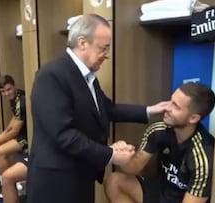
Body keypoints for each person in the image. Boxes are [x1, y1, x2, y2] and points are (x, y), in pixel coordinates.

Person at [27, 14, 167, 203]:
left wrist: (149, 111)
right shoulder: (52, 76)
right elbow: (63, 135)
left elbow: (107, 109)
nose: (107, 55)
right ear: (82, 43)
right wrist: (111, 155)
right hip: (57, 180)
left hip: (81, 171)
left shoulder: (86, 76)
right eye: (104, 48)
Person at [104, 82, 215, 203]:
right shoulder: (159, 130)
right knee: (114, 181)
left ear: (193, 118)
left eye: (176, 106)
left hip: (183, 199)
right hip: (162, 191)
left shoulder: (202, 155)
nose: (167, 108)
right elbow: (134, 167)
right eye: (171, 101)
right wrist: (121, 156)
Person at [0, 75, 28, 203]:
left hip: (27, 137)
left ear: (14, 86)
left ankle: (8, 188)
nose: (7, 93)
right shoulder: (13, 99)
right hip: (20, 134)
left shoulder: (21, 100)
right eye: (3, 91)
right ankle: (0, 181)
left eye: (9, 89)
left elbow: (15, 130)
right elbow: (12, 123)